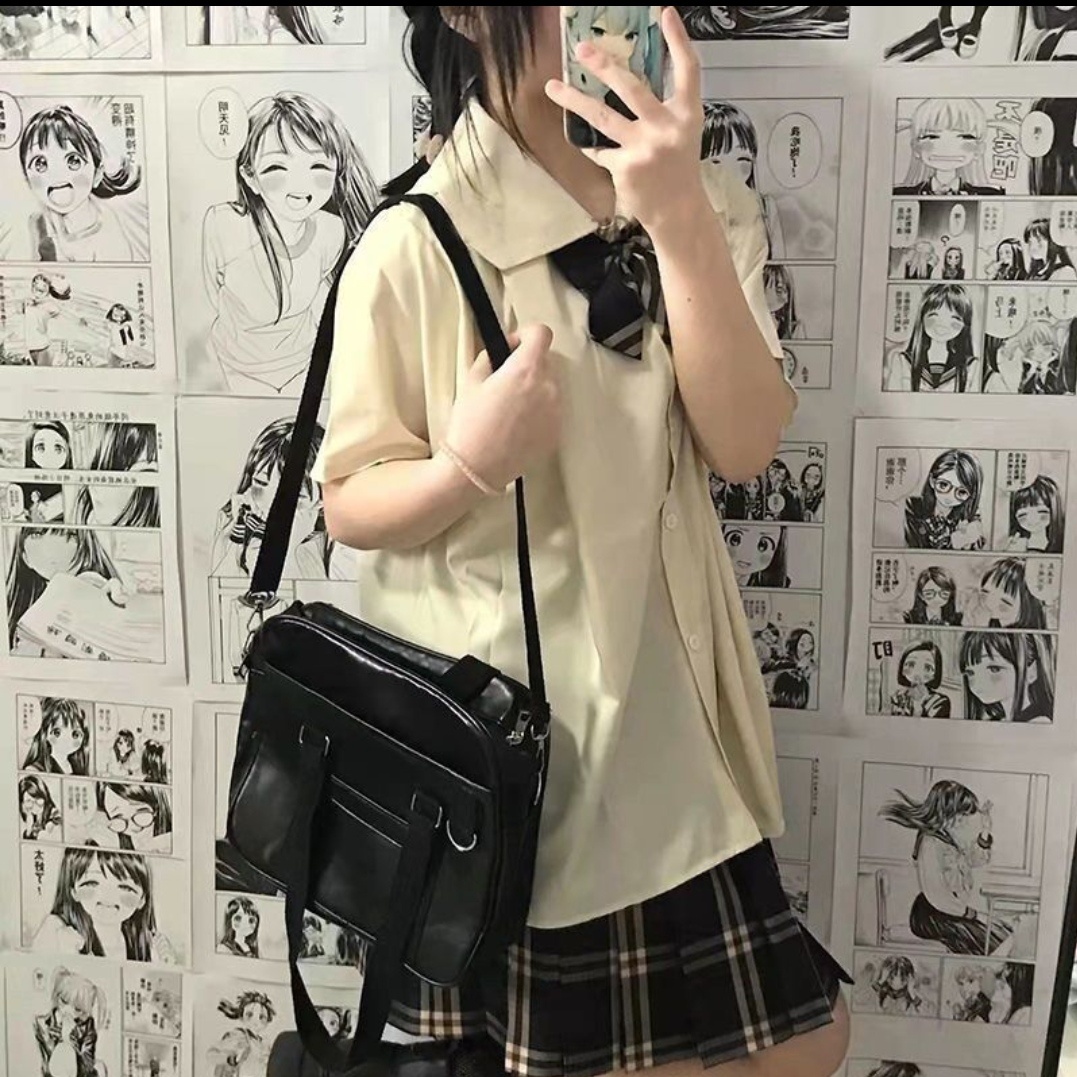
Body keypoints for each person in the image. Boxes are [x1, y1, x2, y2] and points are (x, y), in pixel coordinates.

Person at [312, 7, 850, 1077]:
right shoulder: (419, 239)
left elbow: (744, 444)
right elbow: (348, 500)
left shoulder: (705, 203)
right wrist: (465, 466)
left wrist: (676, 214)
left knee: (807, 1045)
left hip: (671, 732)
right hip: (523, 762)